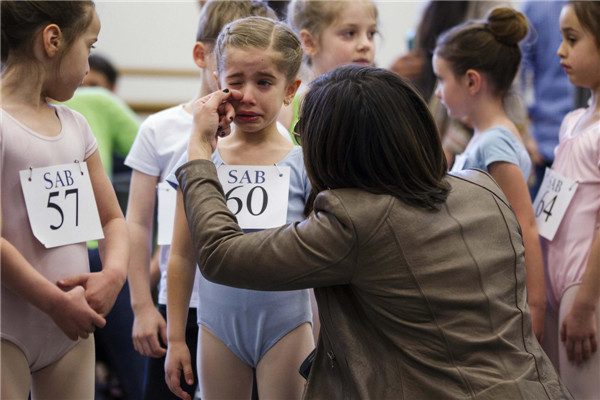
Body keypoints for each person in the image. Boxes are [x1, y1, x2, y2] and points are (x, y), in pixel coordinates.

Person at [174, 64, 573, 399]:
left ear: (330, 149)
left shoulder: (352, 223)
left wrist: (198, 150)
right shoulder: (482, 188)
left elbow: (220, 255)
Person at [125, 3, 280, 400]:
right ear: (205, 57)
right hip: (183, 305)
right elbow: (139, 223)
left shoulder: (277, 134)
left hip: (255, 306)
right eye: (232, 44)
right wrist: (143, 305)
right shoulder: (160, 129)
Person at [164, 16, 314, 400]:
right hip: (217, 328)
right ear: (218, 82)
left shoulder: (304, 164)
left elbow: (323, 261)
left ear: (289, 90)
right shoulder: (200, 160)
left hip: (288, 327)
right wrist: (176, 337)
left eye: (264, 82)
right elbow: (181, 254)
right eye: (235, 82)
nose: (247, 95)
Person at [0, 1, 128, 399]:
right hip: (9, 327)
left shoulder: (76, 126)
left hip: (70, 326)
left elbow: (111, 220)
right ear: (53, 40)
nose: (89, 68)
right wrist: (53, 302)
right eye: (88, 48)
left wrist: (114, 273)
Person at [433, 7, 546, 343]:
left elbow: (525, 224)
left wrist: (536, 308)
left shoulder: (495, 143)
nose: (438, 92)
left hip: (496, 291)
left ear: (471, 81)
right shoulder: (485, 137)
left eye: (441, 79)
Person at [543, 2, 600, 398]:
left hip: (586, 288)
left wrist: (585, 304)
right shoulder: (573, 121)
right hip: (554, 284)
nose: (560, 51)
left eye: (572, 39)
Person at [280, 0, 378, 138]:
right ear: (309, 42)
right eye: (350, 33)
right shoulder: (286, 113)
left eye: (371, 33)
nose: (366, 44)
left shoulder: (382, 106)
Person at [520, 1, 575, 199]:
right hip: (545, 140)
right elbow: (520, 68)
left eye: (572, 39)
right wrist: (525, 131)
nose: (561, 51)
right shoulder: (537, 6)